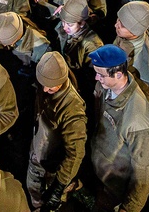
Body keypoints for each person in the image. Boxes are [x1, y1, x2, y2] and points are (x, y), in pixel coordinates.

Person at [87, 44, 149, 212]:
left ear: (119, 74)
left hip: (116, 186)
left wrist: (129, 209)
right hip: (104, 172)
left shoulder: (140, 123)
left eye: (101, 75)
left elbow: (145, 175)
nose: (96, 78)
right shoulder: (107, 88)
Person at [26, 51, 87, 212]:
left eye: (51, 87)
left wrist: (59, 187)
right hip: (38, 153)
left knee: (48, 203)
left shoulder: (72, 108)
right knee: (34, 192)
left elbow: (75, 153)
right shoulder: (47, 80)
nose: (45, 90)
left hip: (51, 167)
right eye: (42, 84)